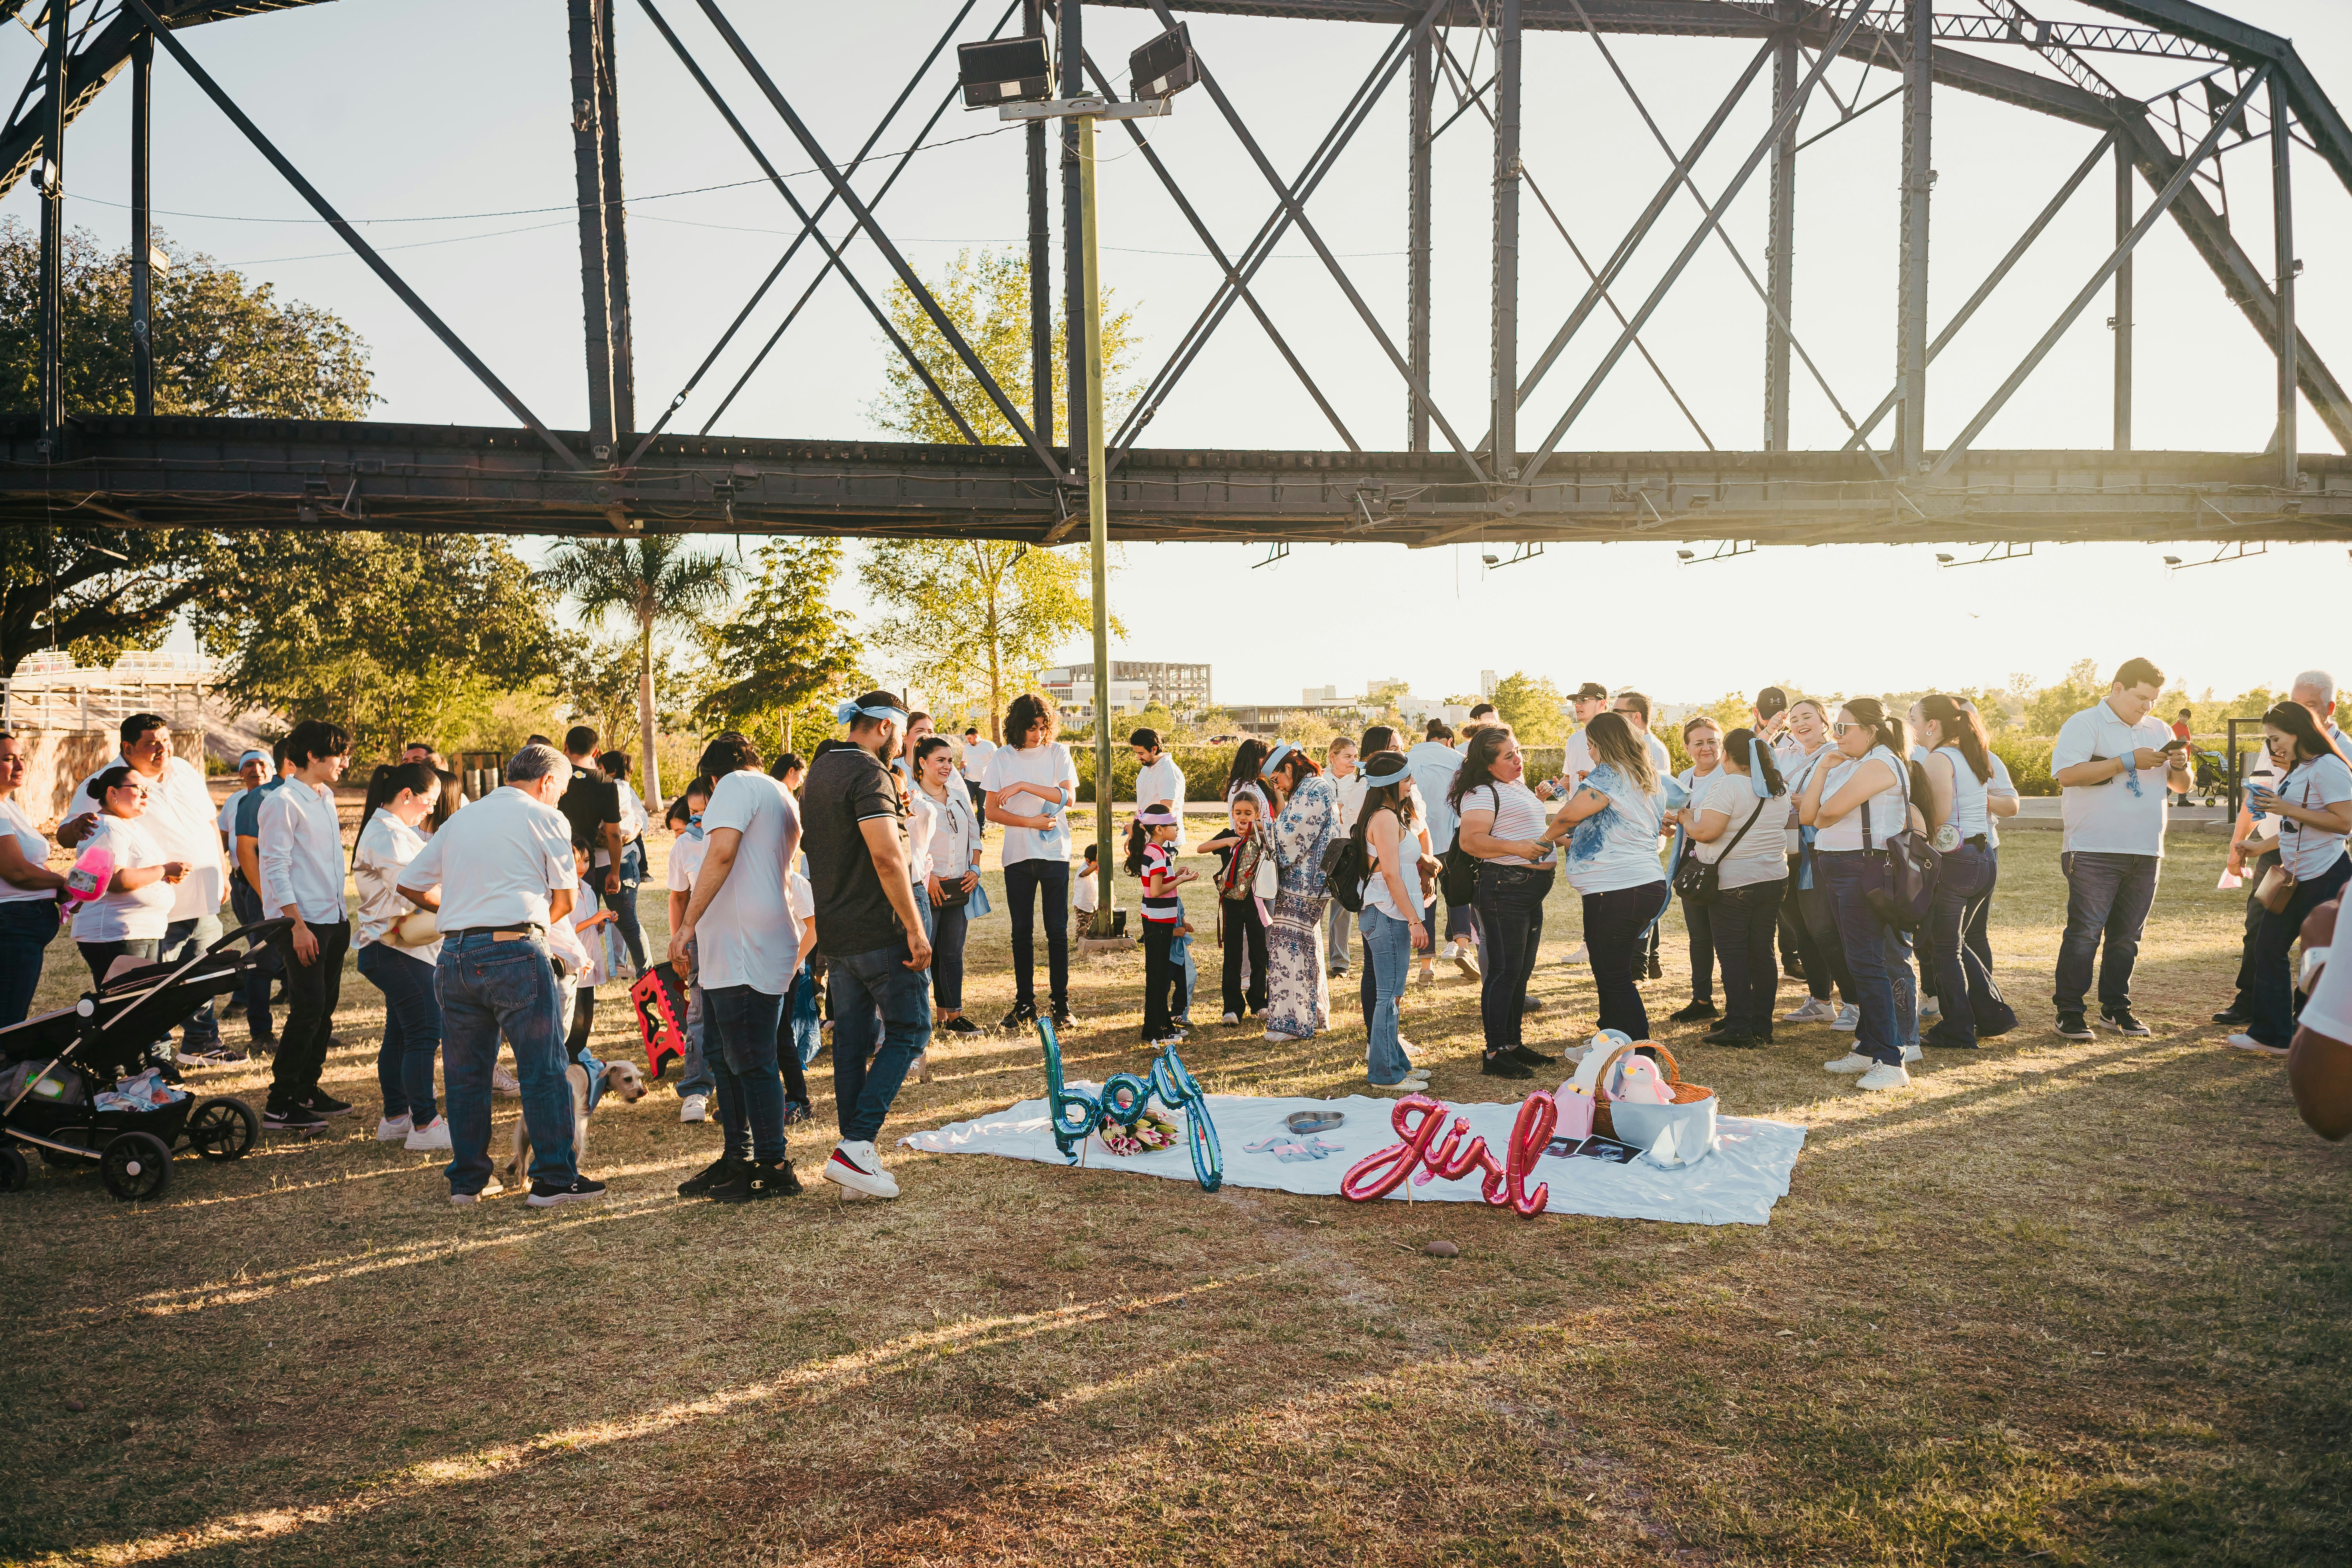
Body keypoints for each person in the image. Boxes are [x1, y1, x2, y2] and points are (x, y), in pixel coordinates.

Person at [397, 742, 602, 1207]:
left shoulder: (461, 817)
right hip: (515, 948)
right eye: (563, 790)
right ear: (547, 782)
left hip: (453, 954)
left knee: (466, 1073)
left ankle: (468, 1182)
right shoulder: (546, 816)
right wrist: (527, 930)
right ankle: (553, 1178)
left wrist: (454, 911)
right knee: (543, 1067)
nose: (561, 800)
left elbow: (409, 883)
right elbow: (567, 901)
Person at [796, 692, 933, 1198]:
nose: (902, 746)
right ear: (881, 727)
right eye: (901, 735)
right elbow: (888, 858)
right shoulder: (869, 774)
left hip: (838, 933)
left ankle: (853, 1157)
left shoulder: (821, 771)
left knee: (852, 1043)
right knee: (910, 1030)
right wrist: (915, 928)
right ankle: (856, 1147)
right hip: (879, 931)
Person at [668, 733, 804, 1204]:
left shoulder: (734, 786)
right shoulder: (778, 790)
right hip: (748, 940)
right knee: (728, 1052)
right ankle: (737, 1157)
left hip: (747, 943)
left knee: (750, 1055)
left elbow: (722, 852)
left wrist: (686, 926)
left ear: (711, 777)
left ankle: (772, 1164)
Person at [61, 713, 230, 1064]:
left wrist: (223, 869)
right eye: (151, 743)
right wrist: (78, 826)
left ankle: (201, 1041)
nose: (162, 749)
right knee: (151, 994)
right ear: (128, 747)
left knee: (204, 976)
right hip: (150, 916)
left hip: (203, 898)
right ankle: (155, 1057)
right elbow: (71, 838)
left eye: (166, 740)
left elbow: (209, 821)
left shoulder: (183, 770)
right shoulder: (106, 783)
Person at [2050, 657, 2193, 1040]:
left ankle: (2116, 1009)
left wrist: (2179, 764)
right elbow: (2067, 775)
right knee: (2085, 934)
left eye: (2153, 700)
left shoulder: (2159, 728)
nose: (2147, 707)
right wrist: (2125, 761)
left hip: (2147, 849)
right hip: (2094, 847)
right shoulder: (2084, 723)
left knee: (2128, 936)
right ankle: (2069, 1012)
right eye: (2141, 698)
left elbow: (2181, 786)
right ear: (2117, 688)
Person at [1800, 699, 1919, 1091]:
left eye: (1844, 727)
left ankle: (1891, 1059)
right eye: (1835, 727)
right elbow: (1807, 817)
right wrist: (1822, 767)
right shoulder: (1853, 762)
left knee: (1868, 964)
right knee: (1860, 962)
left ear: (1871, 729)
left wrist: (1821, 801)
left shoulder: (1880, 762)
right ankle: (1870, 1048)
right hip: (1840, 865)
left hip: (1861, 867)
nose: (1838, 735)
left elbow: (1825, 813)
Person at [2227, 703, 2352, 1056]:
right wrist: (2260, 846)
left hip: (2327, 875)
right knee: (2267, 947)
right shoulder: (2303, 768)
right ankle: (2273, 1035)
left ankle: (2325, 1038)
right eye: (2269, 740)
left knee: (2320, 957)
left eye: (2276, 738)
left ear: (2299, 731)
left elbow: (2345, 823)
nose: (2273, 747)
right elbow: (2294, 827)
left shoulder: (2328, 766)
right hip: (2295, 876)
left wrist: (2284, 808)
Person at [256, 720, 354, 1131]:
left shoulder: (325, 797)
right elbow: (275, 867)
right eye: (339, 754)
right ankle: (280, 1103)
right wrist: (296, 925)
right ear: (313, 756)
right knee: (308, 1009)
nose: (345, 763)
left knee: (325, 1010)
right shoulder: (282, 801)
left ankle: (307, 1089)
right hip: (302, 921)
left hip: (332, 917)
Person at [1452, 724, 1565, 1080]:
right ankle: (1494, 1052)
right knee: (1503, 973)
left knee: (1520, 971)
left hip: (1527, 890)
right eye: (1509, 756)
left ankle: (1513, 1044)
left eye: (1519, 751)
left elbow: (1518, 828)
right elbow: (1472, 841)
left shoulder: (1512, 786)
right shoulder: (1481, 793)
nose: (1519, 759)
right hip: (1505, 889)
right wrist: (1520, 850)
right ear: (1488, 765)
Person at [352, 761, 450, 1152]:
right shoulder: (387, 834)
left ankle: (396, 1117)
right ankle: (425, 1123)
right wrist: (461, 902)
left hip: (397, 949)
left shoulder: (393, 831)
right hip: (393, 949)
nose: (431, 810)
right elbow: (414, 887)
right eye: (429, 802)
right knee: (426, 1031)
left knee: (401, 1034)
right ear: (407, 795)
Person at [1555, 711, 1669, 1049]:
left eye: (1591, 745)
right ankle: (1608, 1042)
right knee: (1607, 969)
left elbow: (1566, 815)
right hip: (1636, 883)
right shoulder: (1643, 775)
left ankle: (1639, 1052)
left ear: (1604, 744)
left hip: (1618, 887)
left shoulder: (1609, 775)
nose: (1589, 752)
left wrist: (1546, 840)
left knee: (1614, 974)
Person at [1913, 695, 2010, 1051]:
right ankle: (1992, 1015)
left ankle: (1958, 1027)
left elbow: (1938, 814)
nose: (1911, 727)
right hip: (1982, 857)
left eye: (1914, 719)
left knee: (1945, 948)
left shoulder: (1940, 758)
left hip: (1957, 859)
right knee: (1955, 944)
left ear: (1931, 725)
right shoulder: (1969, 754)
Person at [1683, 730, 1787, 1047]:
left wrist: (1687, 819)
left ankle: (1739, 1026)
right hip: (1773, 879)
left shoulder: (1730, 784)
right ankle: (1761, 1025)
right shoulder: (1777, 787)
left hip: (1735, 884)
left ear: (1727, 755)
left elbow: (1707, 832)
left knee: (1733, 955)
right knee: (1763, 953)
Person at [983, 693, 1079, 1031]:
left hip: (1055, 854)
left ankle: (1061, 1004)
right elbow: (991, 811)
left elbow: (1069, 797)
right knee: (1021, 932)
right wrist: (1030, 823)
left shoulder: (1058, 753)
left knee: (1057, 931)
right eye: (1030, 728)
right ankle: (1025, 1003)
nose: (1037, 734)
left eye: (1042, 727)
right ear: (1017, 727)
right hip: (1017, 856)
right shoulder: (1000, 757)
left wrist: (1025, 785)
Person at [1349, 749, 1430, 1091]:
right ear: (1392, 784)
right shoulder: (1383, 818)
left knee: (1392, 995)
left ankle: (1396, 1064)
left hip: (1387, 912)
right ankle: (1385, 1075)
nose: (1412, 783)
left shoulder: (1387, 815)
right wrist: (1415, 920)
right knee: (1389, 996)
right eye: (1408, 778)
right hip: (1387, 914)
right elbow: (1393, 876)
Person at [1777, 699, 1858, 1032]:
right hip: (1786, 850)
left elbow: (1845, 799)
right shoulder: (1786, 755)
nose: (1800, 724)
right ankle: (1820, 1001)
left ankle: (1855, 1003)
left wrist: (1808, 801)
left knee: (1824, 929)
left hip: (1817, 850)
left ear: (1824, 720)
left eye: (1807, 716)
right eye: (1794, 719)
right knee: (1800, 929)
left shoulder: (1838, 755)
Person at [71, 764, 187, 996]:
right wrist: (164, 870)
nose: (146, 795)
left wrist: (163, 877)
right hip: (116, 933)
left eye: (148, 789)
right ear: (112, 793)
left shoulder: (127, 825)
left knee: (142, 1008)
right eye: (138, 788)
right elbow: (115, 880)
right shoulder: (106, 826)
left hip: (140, 929)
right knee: (125, 1011)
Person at [1259, 742, 1341, 1041]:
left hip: (1303, 885)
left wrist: (1263, 828)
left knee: (1289, 949)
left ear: (1290, 769)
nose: (1276, 786)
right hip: (1308, 885)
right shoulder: (1313, 788)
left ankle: (1291, 1024)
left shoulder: (1312, 789)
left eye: (1276, 779)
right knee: (1307, 947)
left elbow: (1288, 839)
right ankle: (1315, 1015)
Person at [912, 733, 982, 1037]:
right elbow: (911, 844)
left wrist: (975, 868)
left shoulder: (957, 795)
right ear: (922, 763)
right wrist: (929, 879)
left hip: (959, 888)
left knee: (953, 953)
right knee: (923, 955)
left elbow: (974, 834)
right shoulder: (914, 800)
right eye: (940, 760)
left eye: (950, 761)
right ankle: (917, 1019)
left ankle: (953, 1016)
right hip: (929, 887)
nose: (946, 766)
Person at [228, 739, 294, 1049]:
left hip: (297, 893)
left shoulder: (307, 796)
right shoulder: (257, 799)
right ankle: (261, 1034)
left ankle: (305, 1028)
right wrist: (267, 895)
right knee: (262, 962)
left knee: (301, 960)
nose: (256, 771)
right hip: (264, 893)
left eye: (261, 764)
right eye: (249, 766)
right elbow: (246, 851)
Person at [0, 733, 66, 1025]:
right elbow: (17, 872)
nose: (19, 766)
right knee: (8, 1019)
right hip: (11, 924)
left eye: (21, 758)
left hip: (21, 924)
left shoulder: (8, 805)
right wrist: (63, 884)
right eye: (7, 759)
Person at [1405, 719, 1477, 983]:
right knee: (1459, 896)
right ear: (1449, 741)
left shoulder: (1407, 758)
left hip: (1419, 843)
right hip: (1452, 839)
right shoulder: (1459, 760)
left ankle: (1427, 967)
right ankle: (1463, 949)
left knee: (1427, 901)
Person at [663, 778, 718, 1123]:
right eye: (693, 812)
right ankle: (697, 1088)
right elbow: (678, 897)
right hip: (700, 937)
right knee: (698, 1011)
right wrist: (678, 941)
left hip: (740, 935)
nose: (698, 819)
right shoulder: (684, 846)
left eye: (705, 811)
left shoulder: (741, 837)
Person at [1668, 716, 1724, 1025]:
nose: (1707, 748)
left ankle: (1740, 1004)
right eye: (1699, 742)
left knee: (1728, 937)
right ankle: (1702, 1000)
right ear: (1688, 748)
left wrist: (1688, 820)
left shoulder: (1730, 775)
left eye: (1712, 740)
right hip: (1691, 865)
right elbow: (1683, 818)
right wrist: (1671, 821)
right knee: (1699, 936)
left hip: (1724, 863)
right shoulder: (1684, 777)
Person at [1128, 804, 1195, 1044]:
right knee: (1157, 977)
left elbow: (1158, 883)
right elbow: (1156, 891)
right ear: (1159, 829)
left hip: (1157, 919)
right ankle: (1155, 1030)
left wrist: (1176, 875)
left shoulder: (1155, 851)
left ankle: (1162, 1024)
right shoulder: (1157, 853)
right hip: (1158, 921)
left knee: (1157, 976)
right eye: (1173, 825)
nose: (1177, 829)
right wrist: (1181, 881)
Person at [1199, 795, 1269, 1023]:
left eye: (1248, 813)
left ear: (1257, 816)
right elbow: (1201, 848)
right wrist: (1227, 842)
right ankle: (1232, 1007)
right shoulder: (1226, 836)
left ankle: (1259, 1002)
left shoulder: (1263, 838)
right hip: (1231, 902)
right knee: (1232, 954)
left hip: (1256, 903)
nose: (1242, 818)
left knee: (1259, 952)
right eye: (1238, 812)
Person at [597, 749, 652, 978]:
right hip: (601, 862)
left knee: (628, 922)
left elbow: (641, 818)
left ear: (608, 770)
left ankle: (647, 976)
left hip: (621, 862)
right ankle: (637, 971)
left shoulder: (614, 788)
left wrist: (624, 836)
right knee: (623, 921)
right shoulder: (622, 788)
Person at [557, 726, 625, 911]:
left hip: (552, 858)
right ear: (595, 752)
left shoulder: (553, 777)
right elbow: (614, 835)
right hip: (584, 864)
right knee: (586, 918)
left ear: (565, 747)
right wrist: (614, 872)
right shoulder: (606, 784)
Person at [1325, 735, 1361, 979]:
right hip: (1322, 848)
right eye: (1347, 756)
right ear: (1333, 757)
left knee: (1342, 906)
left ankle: (1340, 962)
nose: (1353, 761)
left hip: (1348, 849)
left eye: (1355, 757)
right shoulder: (1318, 780)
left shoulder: (1360, 781)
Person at [960, 724, 996, 818]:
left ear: (975, 736)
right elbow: (964, 761)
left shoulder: (989, 746)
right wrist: (962, 770)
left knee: (982, 807)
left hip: (983, 782)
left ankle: (981, 830)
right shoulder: (968, 747)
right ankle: (969, 826)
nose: (968, 741)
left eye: (970, 739)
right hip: (969, 781)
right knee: (967, 804)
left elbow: (997, 762)